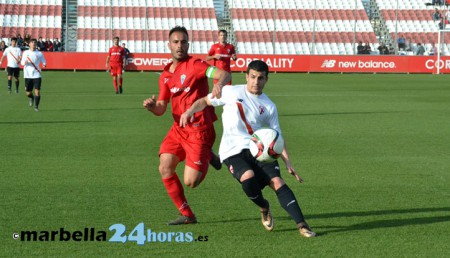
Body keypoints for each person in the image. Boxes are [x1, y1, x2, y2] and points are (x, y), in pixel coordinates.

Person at [179, 60, 316, 238]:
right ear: (246, 76)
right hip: (232, 150)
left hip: (259, 150)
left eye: (260, 78)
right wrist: (189, 111)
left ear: (266, 79)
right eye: (252, 77)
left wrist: (288, 162)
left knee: (278, 183)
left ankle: (302, 225)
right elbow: (205, 101)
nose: (255, 82)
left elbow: (277, 137)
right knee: (248, 178)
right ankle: (264, 206)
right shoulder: (231, 92)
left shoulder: (269, 106)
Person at [142, 26, 231, 225]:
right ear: (169, 45)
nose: (179, 46)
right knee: (165, 168)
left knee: (191, 182)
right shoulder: (165, 75)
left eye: (183, 42)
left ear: (188, 45)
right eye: (175, 42)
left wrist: (219, 83)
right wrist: (151, 107)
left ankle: (207, 154)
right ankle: (187, 215)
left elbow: (223, 73)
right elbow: (161, 108)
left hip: (199, 130)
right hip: (178, 129)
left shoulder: (196, 65)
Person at [21, 38, 47, 112]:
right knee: (28, 92)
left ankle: (36, 107)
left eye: (35, 42)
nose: (33, 43)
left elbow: (43, 60)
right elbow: (22, 62)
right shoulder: (25, 52)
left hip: (37, 74)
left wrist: (44, 64)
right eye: (32, 42)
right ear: (29, 44)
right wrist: (24, 63)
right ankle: (31, 97)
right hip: (28, 75)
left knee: (37, 91)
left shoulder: (39, 53)